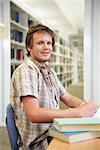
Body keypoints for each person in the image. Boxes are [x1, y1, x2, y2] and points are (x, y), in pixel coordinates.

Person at [10, 24, 97, 150]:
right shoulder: (26, 71)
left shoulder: (49, 71)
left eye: (49, 43)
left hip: (53, 130)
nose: (46, 47)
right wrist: (77, 112)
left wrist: (88, 107)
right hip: (39, 142)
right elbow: (34, 114)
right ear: (29, 47)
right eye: (40, 43)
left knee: (91, 138)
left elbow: (67, 98)